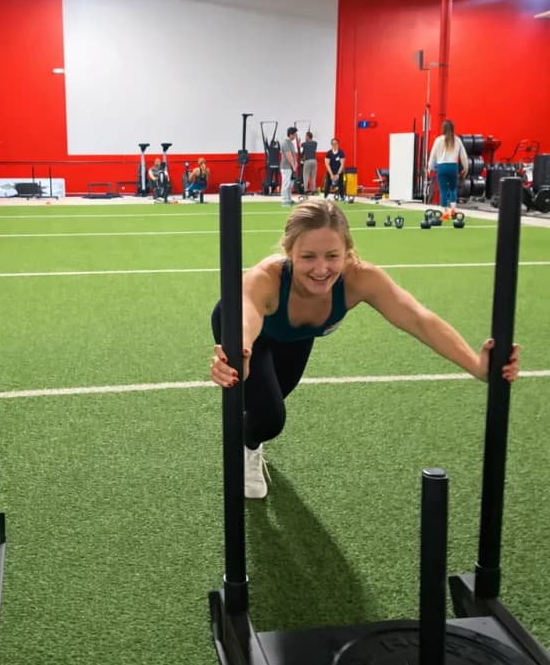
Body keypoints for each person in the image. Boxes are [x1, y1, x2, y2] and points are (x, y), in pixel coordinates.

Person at [209, 198, 520, 499]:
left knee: (270, 402)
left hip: (297, 336)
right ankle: (249, 447)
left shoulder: (361, 279)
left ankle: (252, 436)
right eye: (308, 257)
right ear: (289, 252)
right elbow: (246, 317)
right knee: (270, 415)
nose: (321, 269)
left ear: (348, 252)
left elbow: (419, 319)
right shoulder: (267, 278)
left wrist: (477, 366)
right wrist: (241, 355)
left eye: (332, 255)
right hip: (247, 332)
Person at [428, 120, 469, 218]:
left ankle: (445, 212)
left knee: (443, 190)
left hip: (442, 167)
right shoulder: (457, 140)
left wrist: (429, 167)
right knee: (453, 189)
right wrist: (466, 167)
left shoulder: (438, 140)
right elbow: (463, 155)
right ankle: (453, 210)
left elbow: (432, 155)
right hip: (453, 167)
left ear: (443, 129)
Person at [280, 127, 298, 206]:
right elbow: (288, 155)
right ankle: (284, 200)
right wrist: (293, 165)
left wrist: (295, 163)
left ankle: (289, 199)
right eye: (294, 134)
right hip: (286, 167)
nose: (295, 136)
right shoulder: (285, 143)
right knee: (286, 183)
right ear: (290, 134)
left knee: (290, 184)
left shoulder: (291, 143)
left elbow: (293, 155)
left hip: (290, 167)